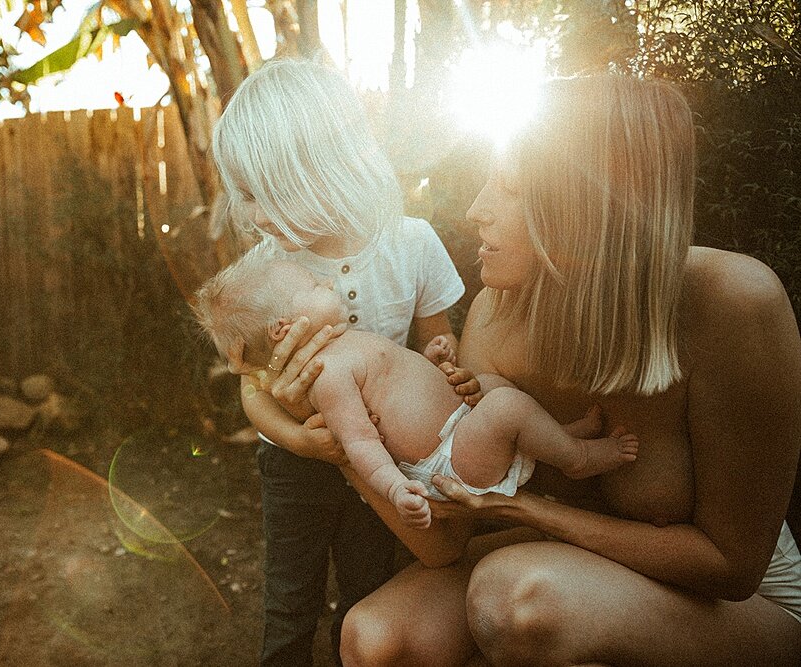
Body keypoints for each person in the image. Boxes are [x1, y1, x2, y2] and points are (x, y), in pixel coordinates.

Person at [276, 74, 801, 665]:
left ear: (586, 203)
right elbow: (444, 544)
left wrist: (530, 511)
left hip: (746, 609)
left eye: (510, 188)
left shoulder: (732, 302)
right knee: (376, 638)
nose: (476, 211)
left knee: (516, 601)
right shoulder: (495, 317)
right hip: (559, 564)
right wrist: (342, 430)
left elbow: (730, 568)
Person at [208, 57, 471, 666]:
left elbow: (438, 346)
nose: (250, 216)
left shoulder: (411, 245)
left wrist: (444, 360)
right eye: (241, 195)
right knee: (289, 601)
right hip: (296, 467)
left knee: (367, 591)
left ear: (319, 169)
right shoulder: (262, 274)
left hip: (388, 460)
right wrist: (300, 441)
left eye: (259, 194)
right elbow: (252, 390)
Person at [193, 254, 640, 529]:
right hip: (448, 459)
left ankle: (558, 433)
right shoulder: (326, 376)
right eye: (313, 287)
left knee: (492, 388)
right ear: (283, 328)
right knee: (505, 406)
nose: (327, 283)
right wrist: (394, 490)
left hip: (457, 430)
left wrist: (432, 358)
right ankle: (579, 459)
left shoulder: (343, 346)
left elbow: (400, 390)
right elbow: (361, 441)